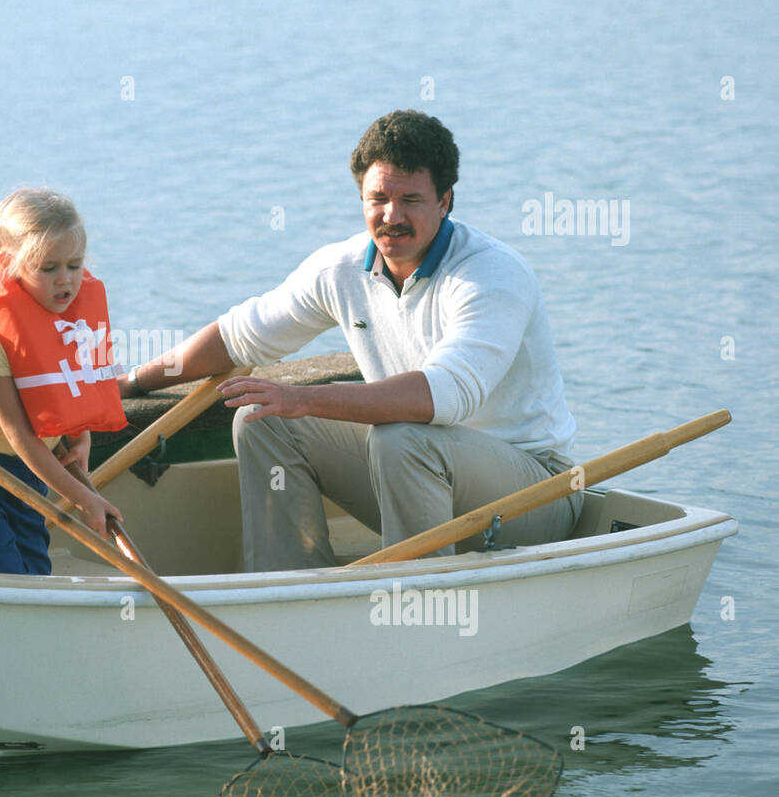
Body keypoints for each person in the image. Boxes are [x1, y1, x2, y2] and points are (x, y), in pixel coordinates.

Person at [119, 110, 583, 572]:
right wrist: (133, 382)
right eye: (377, 198)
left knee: (402, 437)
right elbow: (239, 337)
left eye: (411, 200)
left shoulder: (490, 274)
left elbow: (443, 396)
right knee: (262, 419)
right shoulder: (339, 269)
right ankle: (289, 590)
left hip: (534, 498)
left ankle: (417, 597)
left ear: (445, 202)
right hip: (421, 475)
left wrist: (302, 397)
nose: (391, 216)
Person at [0, 190, 127, 575]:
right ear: (9, 264)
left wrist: (80, 436)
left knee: (36, 575)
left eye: (73, 265)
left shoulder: (73, 327)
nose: (65, 280)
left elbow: (77, 387)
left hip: (29, 472)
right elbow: (18, 433)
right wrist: (85, 500)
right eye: (47, 268)